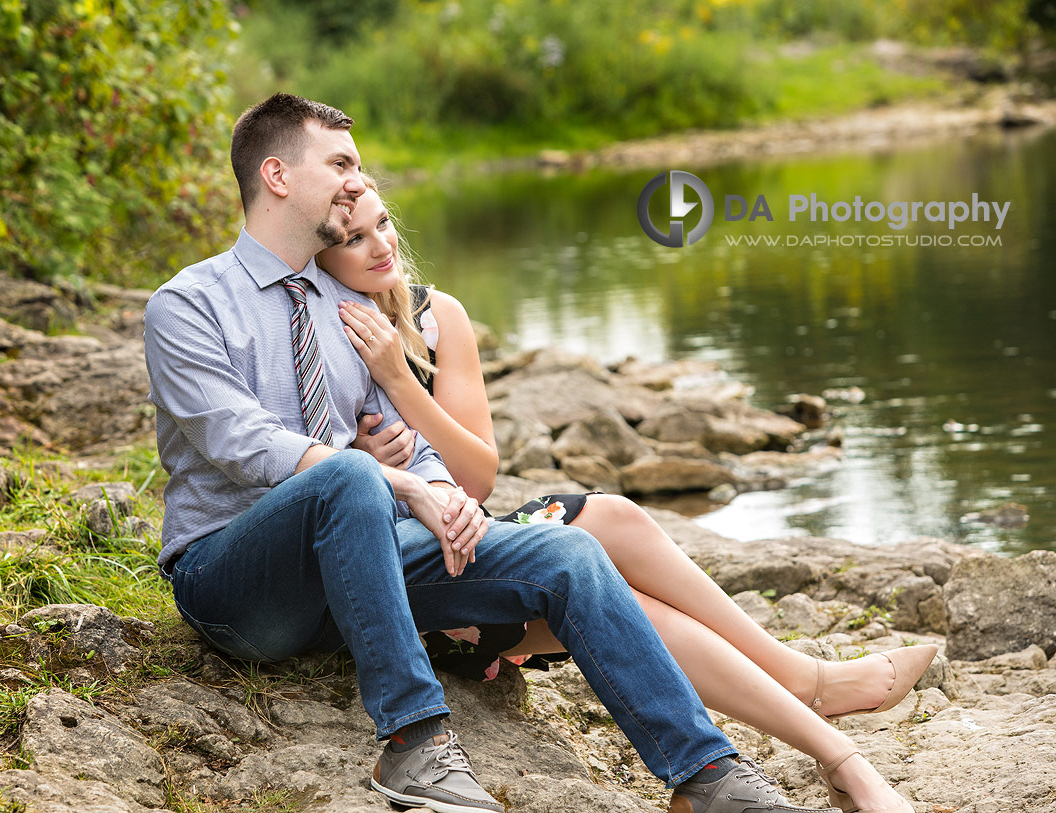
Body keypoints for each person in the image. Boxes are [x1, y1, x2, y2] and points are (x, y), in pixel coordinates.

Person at [144, 93, 847, 813]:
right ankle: (413, 741)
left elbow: (409, 445)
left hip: (361, 572)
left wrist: (444, 496)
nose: (358, 182)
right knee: (352, 475)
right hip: (236, 584)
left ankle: (706, 777)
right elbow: (242, 441)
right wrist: (396, 482)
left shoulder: (346, 306)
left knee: (567, 552)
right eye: (341, 165)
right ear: (278, 176)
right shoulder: (188, 304)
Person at [316, 176, 937, 813]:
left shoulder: (434, 315)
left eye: (384, 224)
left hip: (470, 533)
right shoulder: (319, 332)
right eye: (354, 239)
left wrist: (401, 377)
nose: (380, 247)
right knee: (626, 598)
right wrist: (366, 461)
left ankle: (808, 686)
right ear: (321, 255)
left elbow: (479, 475)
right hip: (417, 586)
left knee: (610, 514)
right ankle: (832, 744)